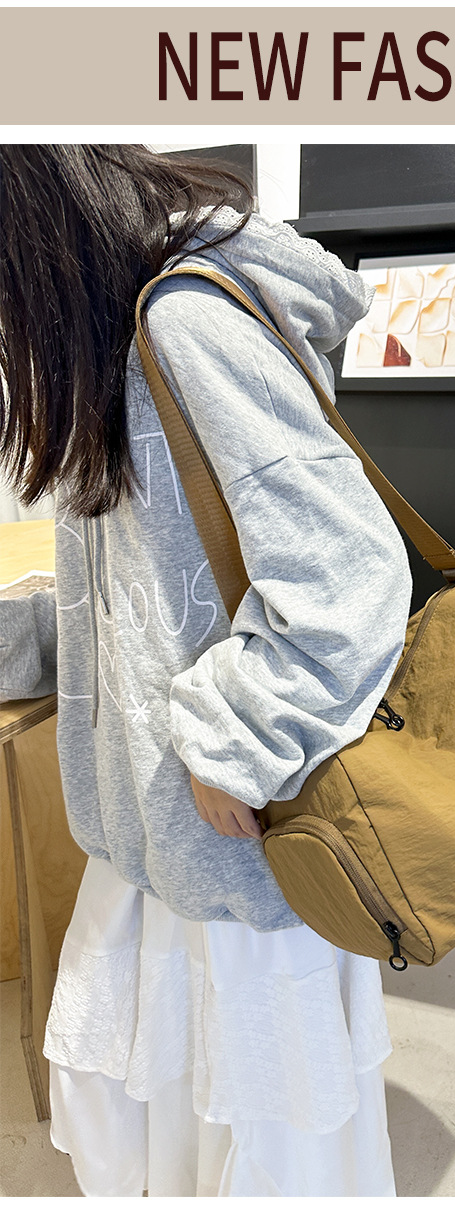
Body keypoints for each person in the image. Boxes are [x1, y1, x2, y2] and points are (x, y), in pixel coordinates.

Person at [0, 144, 412, 1196]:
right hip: (156, 835)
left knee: (258, 1146)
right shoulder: (115, 341)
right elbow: (126, 607)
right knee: (162, 1115)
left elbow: (350, 578)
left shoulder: (184, 324)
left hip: (232, 838)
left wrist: (236, 743)